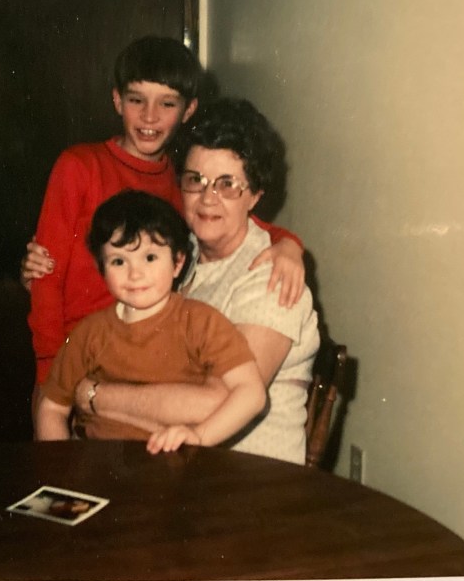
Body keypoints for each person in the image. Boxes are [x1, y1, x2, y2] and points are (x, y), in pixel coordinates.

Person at [26, 98, 320, 464]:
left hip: (246, 478)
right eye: (196, 180)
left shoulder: (270, 278)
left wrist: (91, 395)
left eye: (227, 185)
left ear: (255, 196)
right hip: (167, 464)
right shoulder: (181, 251)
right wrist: (44, 271)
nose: (207, 198)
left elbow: (213, 403)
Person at [27, 36, 306, 388]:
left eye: (167, 104)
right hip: (76, 359)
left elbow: (246, 219)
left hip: (141, 364)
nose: (149, 116)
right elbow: (45, 280)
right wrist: (51, 375)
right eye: (136, 100)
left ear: (188, 110)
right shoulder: (79, 167)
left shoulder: (183, 184)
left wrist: (289, 246)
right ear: (117, 100)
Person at [34, 189, 267, 456]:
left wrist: (199, 436)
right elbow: (51, 407)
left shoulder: (201, 322)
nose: (135, 274)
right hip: (99, 466)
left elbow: (252, 393)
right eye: (119, 261)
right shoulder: (89, 333)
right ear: (102, 269)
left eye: (150, 257)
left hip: (175, 466)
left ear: (178, 263)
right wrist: (60, 470)